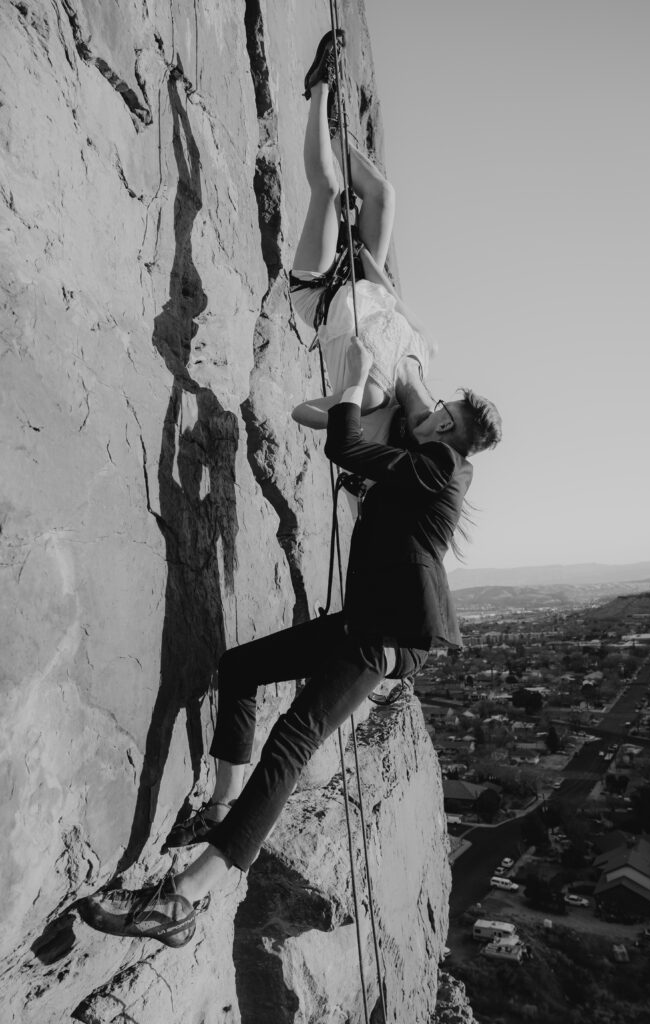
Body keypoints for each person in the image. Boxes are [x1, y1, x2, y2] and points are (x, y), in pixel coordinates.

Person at [79, 37, 503, 951]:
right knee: (237, 672)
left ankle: (188, 897)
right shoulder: (408, 364)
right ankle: (215, 813)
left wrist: (347, 387)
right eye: (449, 419)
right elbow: (378, 201)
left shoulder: (423, 455)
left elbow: (341, 430)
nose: (440, 423)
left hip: (377, 638)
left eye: (449, 429)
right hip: (361, 624)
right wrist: (335, 111)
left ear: (450, 445)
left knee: (294, 742)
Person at [289, 29, 433, 444]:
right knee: (383, 196)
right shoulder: (425, 355)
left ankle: (317, 88)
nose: (432, 413)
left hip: (320, 294)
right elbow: (395, 300)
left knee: (329, 191)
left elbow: (303, 412)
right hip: (361, 276)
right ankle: (332, 132)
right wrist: (365, 258)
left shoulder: (373, 396)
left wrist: (350, 386)